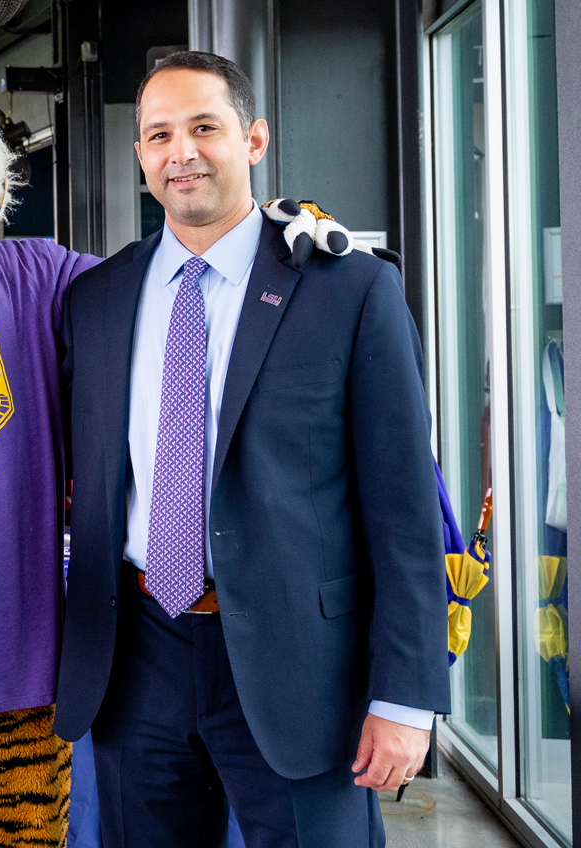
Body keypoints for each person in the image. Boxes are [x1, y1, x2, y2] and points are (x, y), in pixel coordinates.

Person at [54, 51, 449, 847]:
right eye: (158, 134)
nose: (181, 152)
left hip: (302, 668)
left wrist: (404, 699)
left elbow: (403, 508)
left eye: (205, 127)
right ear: (139, 155)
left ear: (255, 139)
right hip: (136, 655)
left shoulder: (349, 291)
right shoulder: (95, 301)